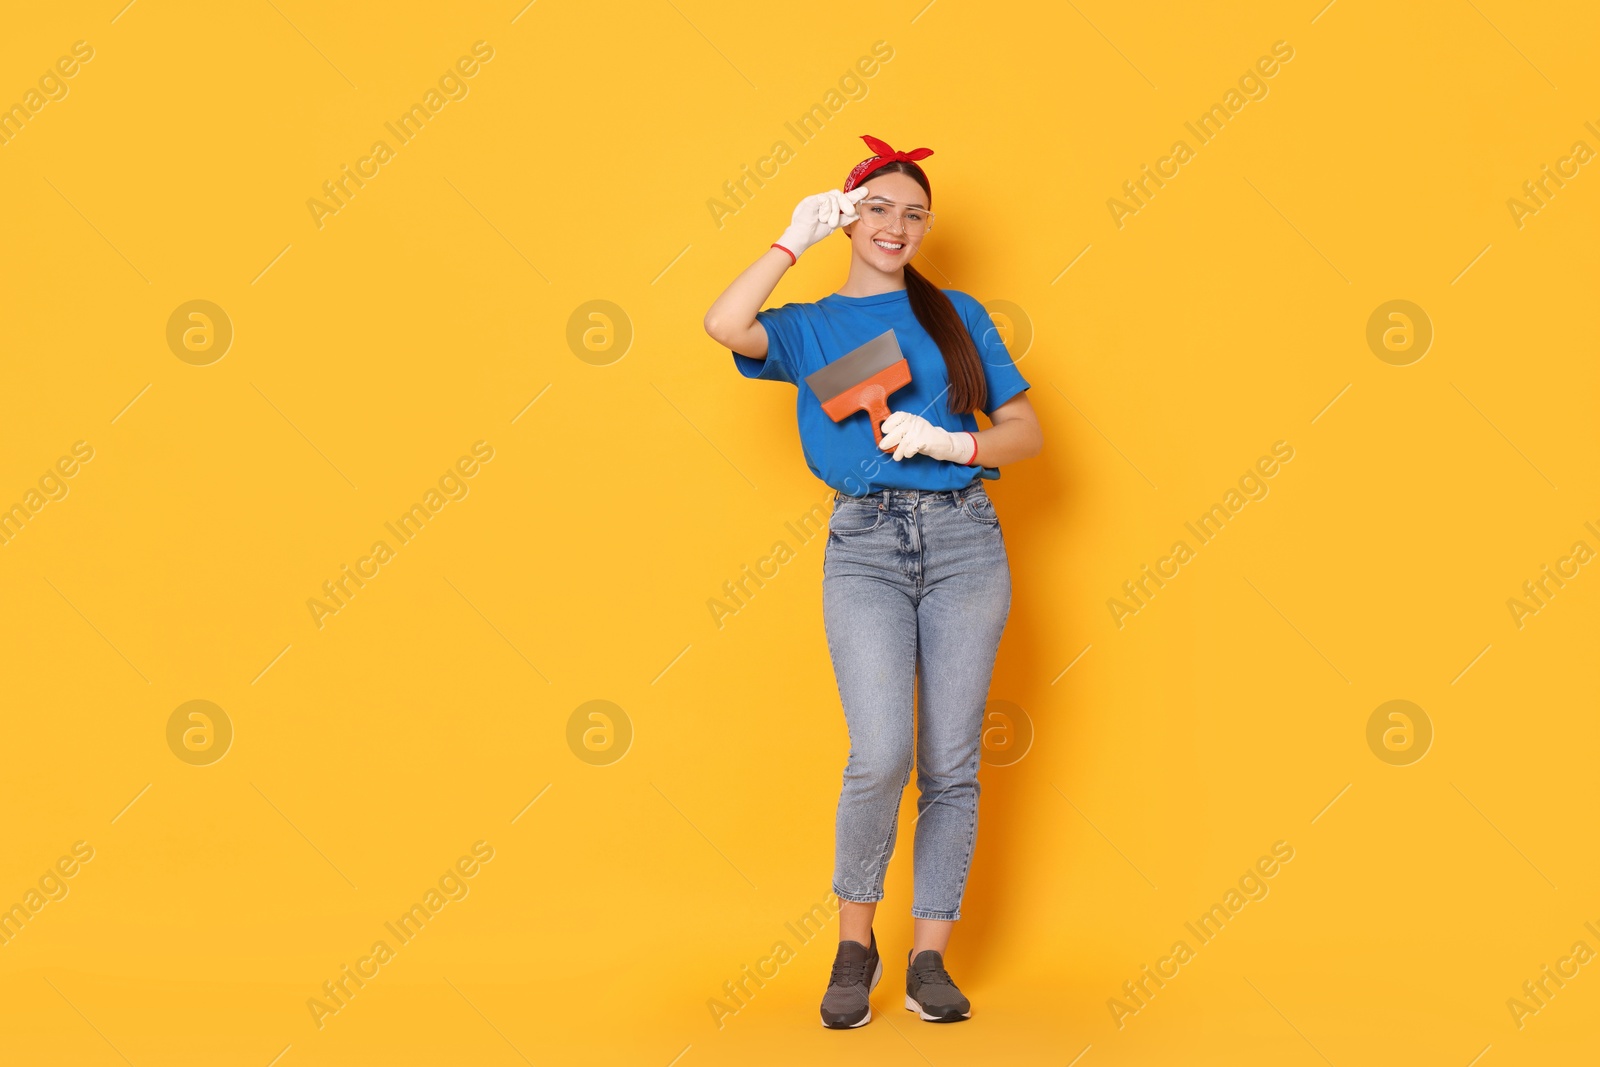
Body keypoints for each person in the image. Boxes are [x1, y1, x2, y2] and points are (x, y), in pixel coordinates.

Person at [703, 134, 1042, 1029]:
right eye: (880, 209)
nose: (899, 226)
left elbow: (1026, 432)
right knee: (882, 751)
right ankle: (855, 945)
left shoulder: (955, 312)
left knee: (951, 762)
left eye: (916, 214)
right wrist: (789, 239)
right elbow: (723, 324)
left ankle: (930, 958)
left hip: (967, 538)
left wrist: (949, 443)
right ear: (850, 218)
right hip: (865, 544)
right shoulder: (811, 325)